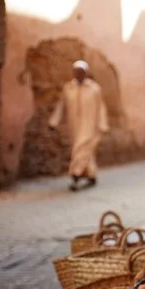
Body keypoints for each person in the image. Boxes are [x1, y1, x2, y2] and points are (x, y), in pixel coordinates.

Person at [49, 60, 109, 191]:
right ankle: (91, 175)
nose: (78, 74)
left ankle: (75, 175)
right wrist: (54, 121)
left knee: (81, 148)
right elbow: (61, 106)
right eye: (76, 71)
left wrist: (103, 124)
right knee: (83, 150)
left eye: (81, 71)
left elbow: (101, 108)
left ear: (86, 73)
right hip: (74, 124)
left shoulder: (94, 89)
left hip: (90, 124)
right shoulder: (68, 88)